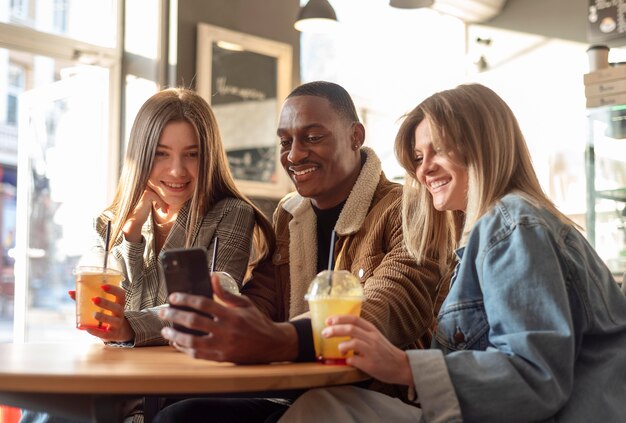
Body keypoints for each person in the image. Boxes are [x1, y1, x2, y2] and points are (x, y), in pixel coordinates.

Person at [276, 83, 626, 422]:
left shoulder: (512, 226)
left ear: (484, 146)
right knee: (324, 405)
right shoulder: (496, 231)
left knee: (321, 410)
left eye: (439, 150)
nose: (423, 168)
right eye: (417, 157)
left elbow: (536, 379)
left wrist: (402, 366)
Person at [154, 81, 445, 421]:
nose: (293, 155)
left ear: (355, 136)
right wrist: (223, 315)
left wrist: (279, 339)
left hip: (378, 399)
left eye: (312, 137)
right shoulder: (290, 214)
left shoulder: (409, 206)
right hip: (296, 391)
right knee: (177, 411)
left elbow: (389, 306)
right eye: (285, 141)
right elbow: (264, 299)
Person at [19, 87, 276, 423]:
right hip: (114, 376)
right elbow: (106, 304)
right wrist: (132, 236)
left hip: (182, 386)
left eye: (193, 154)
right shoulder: (110, 222)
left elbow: (218, 297)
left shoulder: (230, 213)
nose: (176, 171)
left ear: (209, 155)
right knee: (42, 410)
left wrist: (129, 326)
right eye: (161, 154)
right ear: (141, 155)